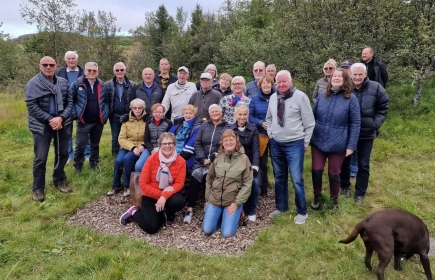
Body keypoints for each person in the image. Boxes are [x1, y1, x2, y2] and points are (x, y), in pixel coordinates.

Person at [266, 70, 315, 224]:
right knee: (279, 177)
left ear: (291, 81)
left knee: (296, 178)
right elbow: (268, 117)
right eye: (278, 82)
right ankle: (281, 207)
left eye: (284, 81)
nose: (280, 84)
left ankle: (302, 211)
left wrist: (305, 143)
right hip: (276, 143)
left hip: (295, 143)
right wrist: (270, 132)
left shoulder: (300, 97)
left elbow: (310, 123)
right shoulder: (274, 97)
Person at [310, 69, 361, 210]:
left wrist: (351, 145)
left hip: (338, 143)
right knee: (316, 170)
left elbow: (355, 124)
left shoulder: (351, 99)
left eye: (340, 76)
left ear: (345, 80)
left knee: (334, 173)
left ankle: (334, 201)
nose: (336, 78)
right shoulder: (322, 95)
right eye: (334, 76)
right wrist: (307, 137)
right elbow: (312, 118)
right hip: (318, 140)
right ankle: (317, 197)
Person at [25, 56, 74, 202]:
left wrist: (61, 118)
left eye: (51, 65)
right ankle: (38, 188)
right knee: (41, 157)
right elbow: (31, 105)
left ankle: (59, 179)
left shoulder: (63, 83)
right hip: (42, 125)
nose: (48, 67)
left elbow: (70, 103)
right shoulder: (33, 84)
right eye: (45, 65)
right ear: (40, 66)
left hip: (62, 123)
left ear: (55, 66)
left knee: (62, 154)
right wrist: (50, 119)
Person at [340, 63, 389, 204]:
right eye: (355, 74)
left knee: (363, 164)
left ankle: (360, 193)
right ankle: (345, 186)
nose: (357, 77)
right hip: (347, 133)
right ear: (350, 74)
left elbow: (383, 106)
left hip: (366, 134)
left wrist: (375, 124)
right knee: (345, 162)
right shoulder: (345, 88)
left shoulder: (376, 87)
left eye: (360, 74)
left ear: (365, 74)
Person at [119, 133, 186, 234]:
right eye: (164, 144)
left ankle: (168, 213)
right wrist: (161, 196)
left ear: (174, 145)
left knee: (179, 201)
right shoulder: (151, 159)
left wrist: (164, 196)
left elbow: (179, 183)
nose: (167, 146)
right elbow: (143, 184)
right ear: (159, 146)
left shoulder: (181, 161)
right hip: (150, 195)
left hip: (168, 194)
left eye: (170, 143)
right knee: (152, 228)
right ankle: (133, 211)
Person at [203, 129, 253, 238]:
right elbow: (209, 178)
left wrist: (236, 203)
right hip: (215, 199)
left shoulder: (244, 159)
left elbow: (247, 183)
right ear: (222, 142)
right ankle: (219, 214)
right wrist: (208, 199)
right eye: (225, 140)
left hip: (232, 201)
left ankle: (239, 213)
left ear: (236, 141)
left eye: (231, 139)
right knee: (207, 229)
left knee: (227, 233)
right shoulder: (218, 157)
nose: (228, 142)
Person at [183, 104, 228, 224]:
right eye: (212, 112)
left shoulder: (226, 127)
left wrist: (215, 158)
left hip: (217, 162)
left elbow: (227, 145)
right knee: (195, 176)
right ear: (209, 114)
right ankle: (190, 209)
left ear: (221, 113)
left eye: (217, 111)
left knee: (208, 177)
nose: (215, 113)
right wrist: (202, 158)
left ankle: (209, 206)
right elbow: (197, 143)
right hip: (201, 160)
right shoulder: (204, 125)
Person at [70, 61, 109, 173]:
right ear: (85, 71)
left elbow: (106, 101)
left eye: (94, 70)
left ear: (98, 72)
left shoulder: (102, 85)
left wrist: (105, 114)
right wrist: (75, 115)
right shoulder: (77, 84)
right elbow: (70, 100)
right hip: (83, 121)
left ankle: (94, 163)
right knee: (80, 145)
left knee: (95, 144)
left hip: (98, 121)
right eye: (89, 70)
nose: (92, 72)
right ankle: (78, 165)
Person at [107, 98, 147, 197]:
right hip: (128, 146)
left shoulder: (148, 120)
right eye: (135, 108)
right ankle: (116, 185)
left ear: (143, 108)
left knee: (127, 159)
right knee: (119, 161)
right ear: (131, 109)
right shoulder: (126, 120)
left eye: (139, 108)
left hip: (141, 147)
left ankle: (127, 186)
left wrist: (142, 146)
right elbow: (121, 139)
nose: (137, 110)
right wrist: (132, 148)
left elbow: (149, 137)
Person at [56, 50, 88, 163]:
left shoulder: (84, 72)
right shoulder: (59, 73)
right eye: (69, 59)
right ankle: (69, 155)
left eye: (73, 58)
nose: (71, 61)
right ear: (65, 60)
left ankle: (86, 153)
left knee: (84, 130)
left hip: (82, 105)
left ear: (77, 60)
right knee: (67, 132)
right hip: (65, 106)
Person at [229, 105, 260, 222]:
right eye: (240, 114)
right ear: (236, 115)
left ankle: (251, 209)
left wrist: (255, 166)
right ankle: (234, 206)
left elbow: (256, 149)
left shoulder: (253, 129)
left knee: (254, 183)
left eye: (245, 114)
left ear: (248, 115)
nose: (242, 117)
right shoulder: (230, 129)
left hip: (249, 164)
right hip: (233, 163)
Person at [249, 75, 275, 196]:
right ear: (260, 85)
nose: (266, 85)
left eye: (268, 83)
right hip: (262, 135)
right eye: (263, 83)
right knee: (262, 163)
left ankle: (278, 187)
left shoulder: (277, 97)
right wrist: (260, 122)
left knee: (276, 161)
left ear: (272, 84)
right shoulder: (255, 99)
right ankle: (263, 188)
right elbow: (250, 117)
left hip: (275, 135)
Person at [104, 62, 136, 156]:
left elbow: (134, 100)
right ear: (114, 72)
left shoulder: (132, 84)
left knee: (128, 136)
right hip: (114, 115)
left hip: (128, 115)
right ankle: (115, 156)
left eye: (121, 70)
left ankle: (127, 153)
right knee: (115, 136)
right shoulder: (108, 85)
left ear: (125, 71)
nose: (119, 72)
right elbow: (106, 100)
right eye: (117, 70)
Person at [135, 103, 173, 172]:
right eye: (155, 112)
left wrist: (161, 150)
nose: (157, 114)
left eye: (160, 112)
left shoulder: (169, 123)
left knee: (158, 167)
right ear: (152, 113)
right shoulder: (148, 123)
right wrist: (152, 150)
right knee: (138, 166)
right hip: (150, 149)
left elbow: (170, 140)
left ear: (163, 113)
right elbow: (146, 140)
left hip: (164, 149)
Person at [169, 104, 202, 171]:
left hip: (184, 154)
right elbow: (168, 136)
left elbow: (191, 145)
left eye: (190, 113)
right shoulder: (178, 123)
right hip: (172, 151)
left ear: (194, 115)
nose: (188, 115)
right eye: (186, 113)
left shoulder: (197, 127)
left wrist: (178, 158)